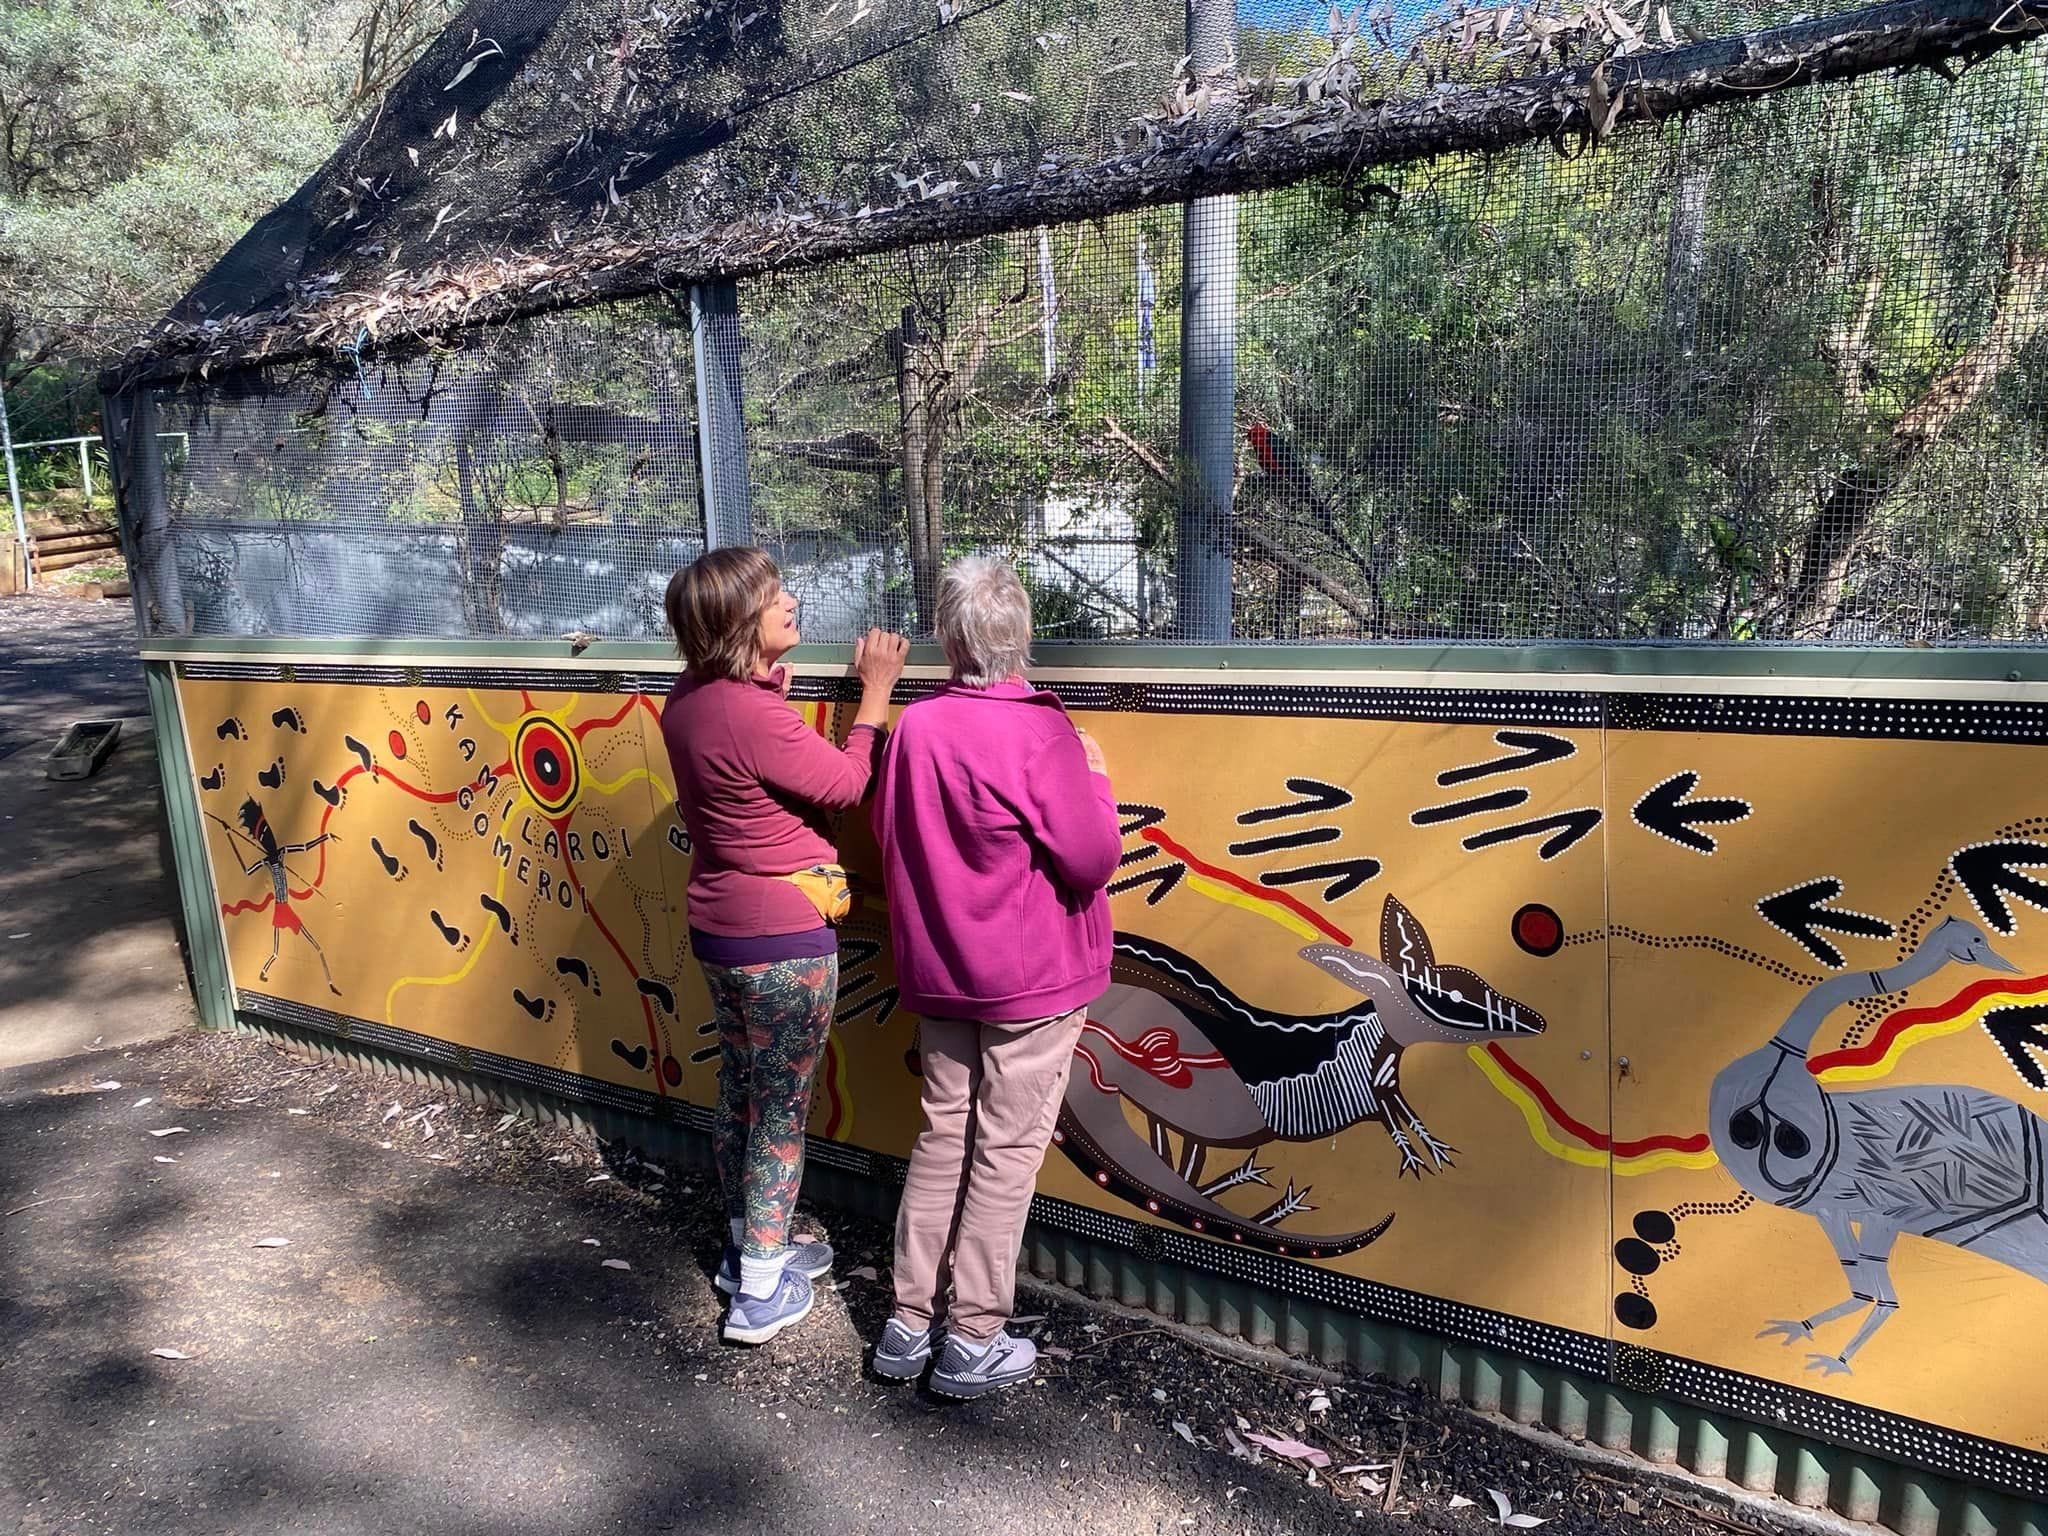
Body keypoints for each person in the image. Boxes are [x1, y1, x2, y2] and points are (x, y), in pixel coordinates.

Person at [868, 556, 1121, 1397]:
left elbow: (888, 829)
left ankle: (907, 1326)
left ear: (948, 638)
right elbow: (1091, 859)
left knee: (944, 1135)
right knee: (1006, 1151)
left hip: (941, 973)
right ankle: (972, 1336)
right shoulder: (1045, 732)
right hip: (1032, 984)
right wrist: (1095, 777)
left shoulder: (915, 729)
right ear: (1023, 639)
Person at [660, 547, 908, 1345]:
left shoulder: (691, 699)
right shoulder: (748, 712)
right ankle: (760, 1295)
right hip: (782, 942)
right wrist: (873, 697)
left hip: (722, 930)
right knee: (781, 1113)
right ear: (741, 625)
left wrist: (773, 681)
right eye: (774, 597)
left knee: (741, 1091)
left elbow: (748, 755)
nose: (791, 600)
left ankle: (746, 1249)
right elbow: (841, 784)